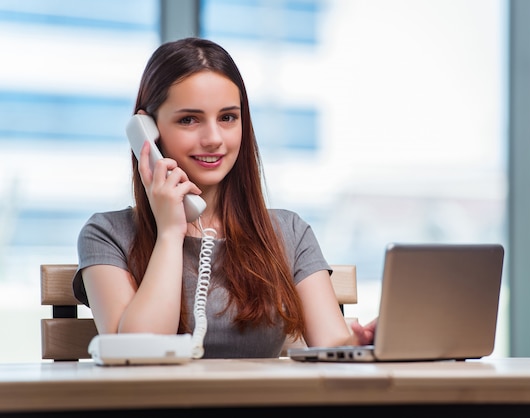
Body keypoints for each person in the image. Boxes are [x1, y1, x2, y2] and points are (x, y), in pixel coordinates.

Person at [72, 37, 376, 358]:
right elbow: (134, 353)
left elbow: (332, 346)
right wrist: (170, 233)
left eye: (228, 117)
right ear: (148, 131)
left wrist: (363, 342)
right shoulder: (106, 234)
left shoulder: (290, 232)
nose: (214, 139)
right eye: (189, 119)